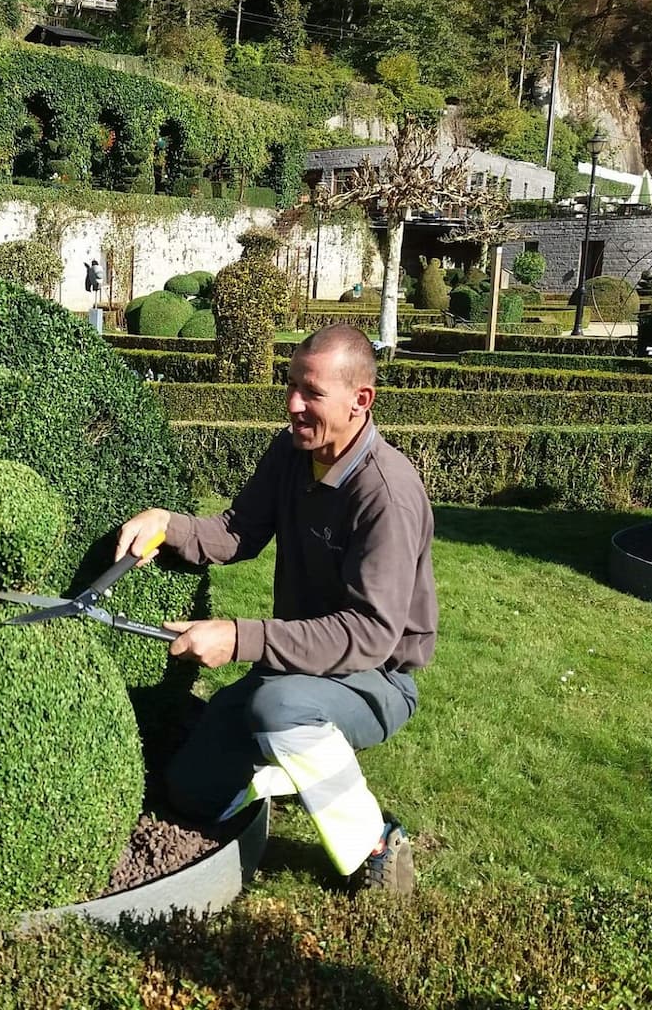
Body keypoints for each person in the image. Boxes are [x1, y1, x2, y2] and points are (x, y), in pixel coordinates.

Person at [115, 323, 437, 892]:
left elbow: (370, 634)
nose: (292, 404)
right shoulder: (292, 453)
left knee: (278, 707)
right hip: (295, 669)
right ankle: (284, 765)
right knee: (192, 791)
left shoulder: (386, 493)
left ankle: (375, 848)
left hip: (378, 679)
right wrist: (166, 525)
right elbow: (238, 531)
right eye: (291, 386)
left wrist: (240, 638)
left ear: (360, 401)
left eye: (311, 393)